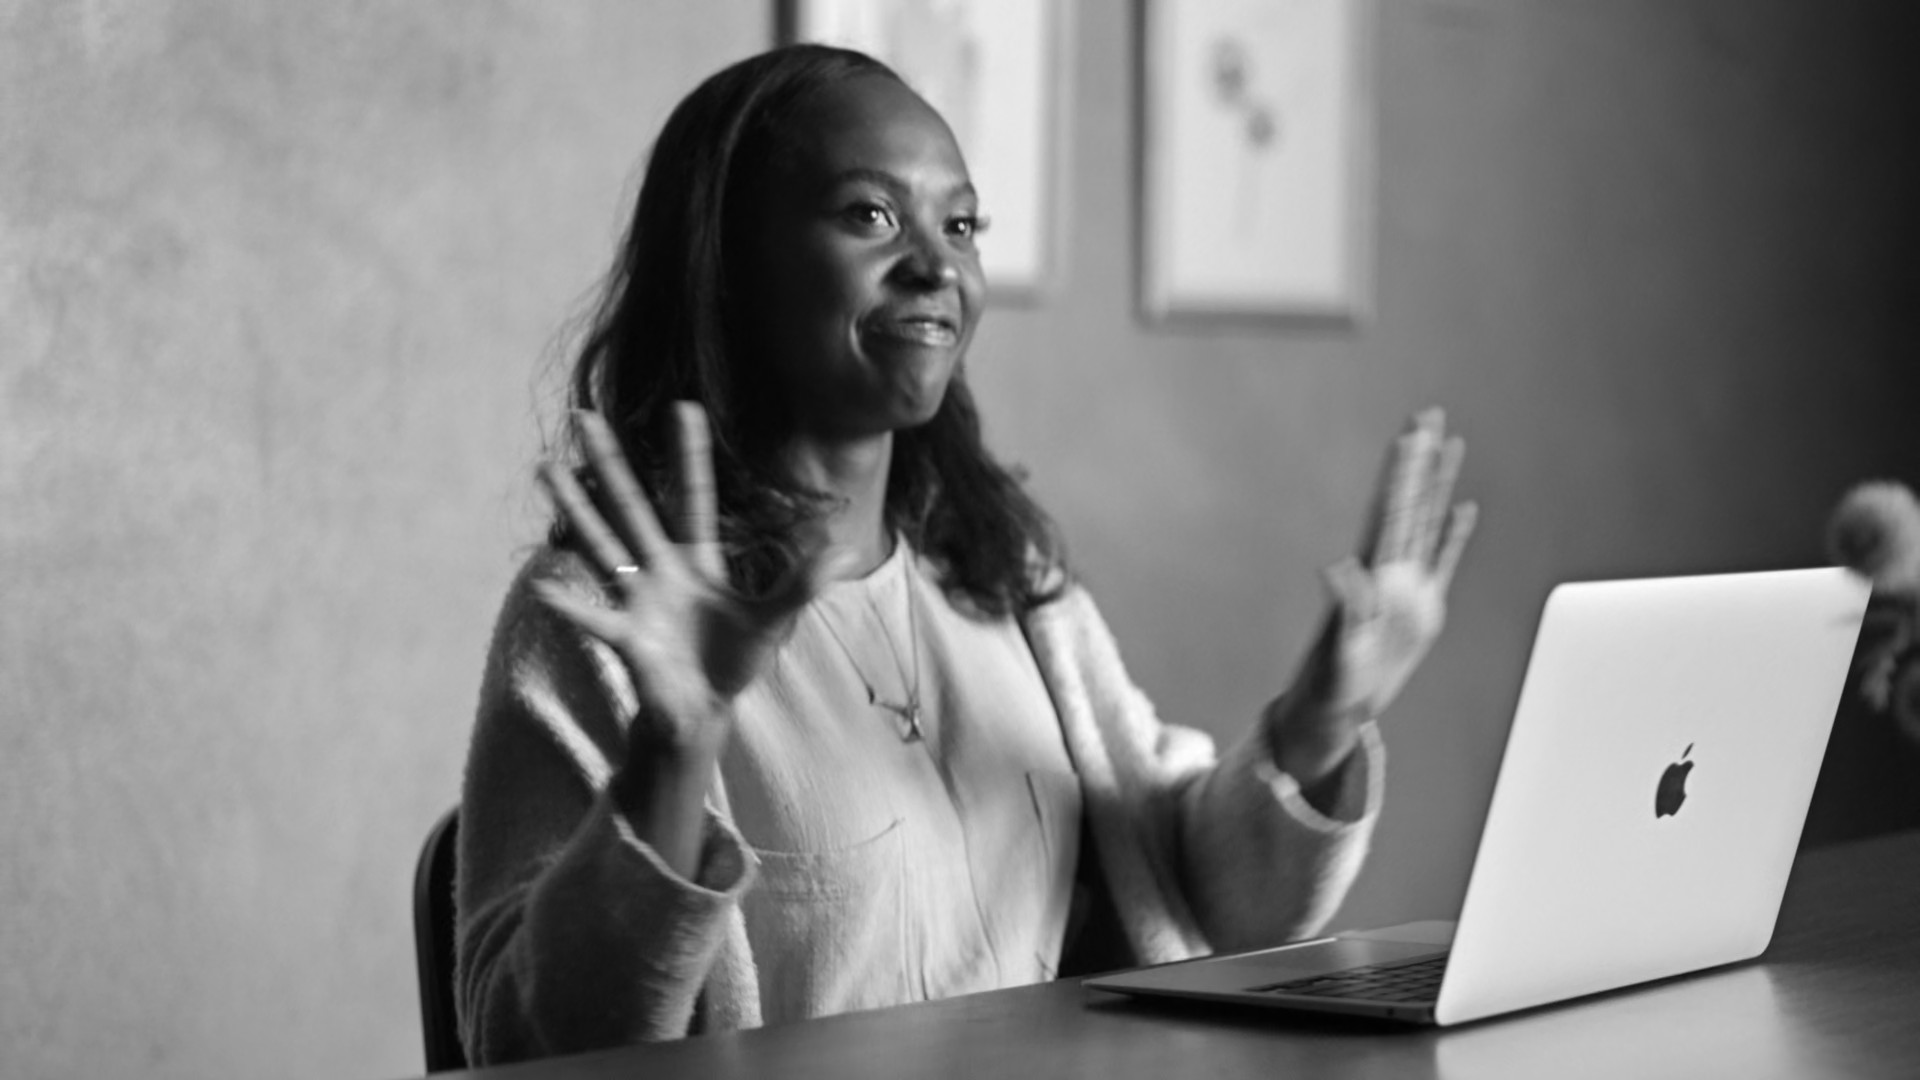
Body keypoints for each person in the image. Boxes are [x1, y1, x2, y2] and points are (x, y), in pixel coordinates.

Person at [454, 44, 1476, 1067]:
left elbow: (1197, 892)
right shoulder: (599, 614)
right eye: (871, 215)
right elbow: (528, 1044)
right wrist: (671, 755)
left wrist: (1319, 721)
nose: (938, 268)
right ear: (727, 261)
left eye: (961, 226)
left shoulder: (1006, 584)